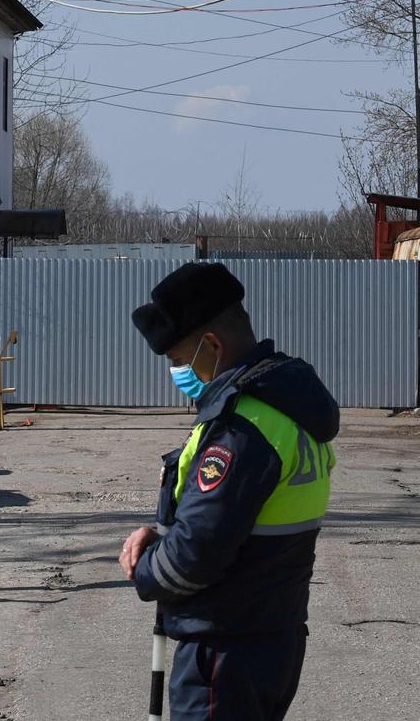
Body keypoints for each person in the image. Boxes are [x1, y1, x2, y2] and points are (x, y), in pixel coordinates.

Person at [120, 263, 337, 721]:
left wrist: (146, 570)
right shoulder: (290, 408)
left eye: (179, 360)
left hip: (225, 651)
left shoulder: (241, 428)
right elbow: (236, 523)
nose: (178, 373)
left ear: (212, 346)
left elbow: (197, 552)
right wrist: (161, 536)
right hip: (272, 636)